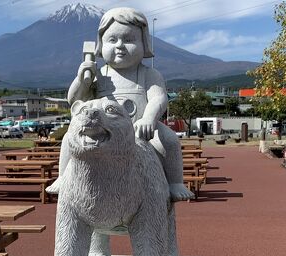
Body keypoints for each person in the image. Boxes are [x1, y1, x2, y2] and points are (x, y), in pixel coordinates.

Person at [47, 7, 192, 201]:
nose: (120, 46)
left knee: (170, 140)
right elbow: (74, 100)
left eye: (129, 40)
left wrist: (149, 118)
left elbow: (159, 98)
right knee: (68, 139)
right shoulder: (98, 75)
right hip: (103, 130)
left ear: (144, 44)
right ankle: (64, 177)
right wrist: (83, 80)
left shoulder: (149, 74)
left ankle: (175, 182)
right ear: (100, 45)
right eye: (112, 40)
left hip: (140, 128)